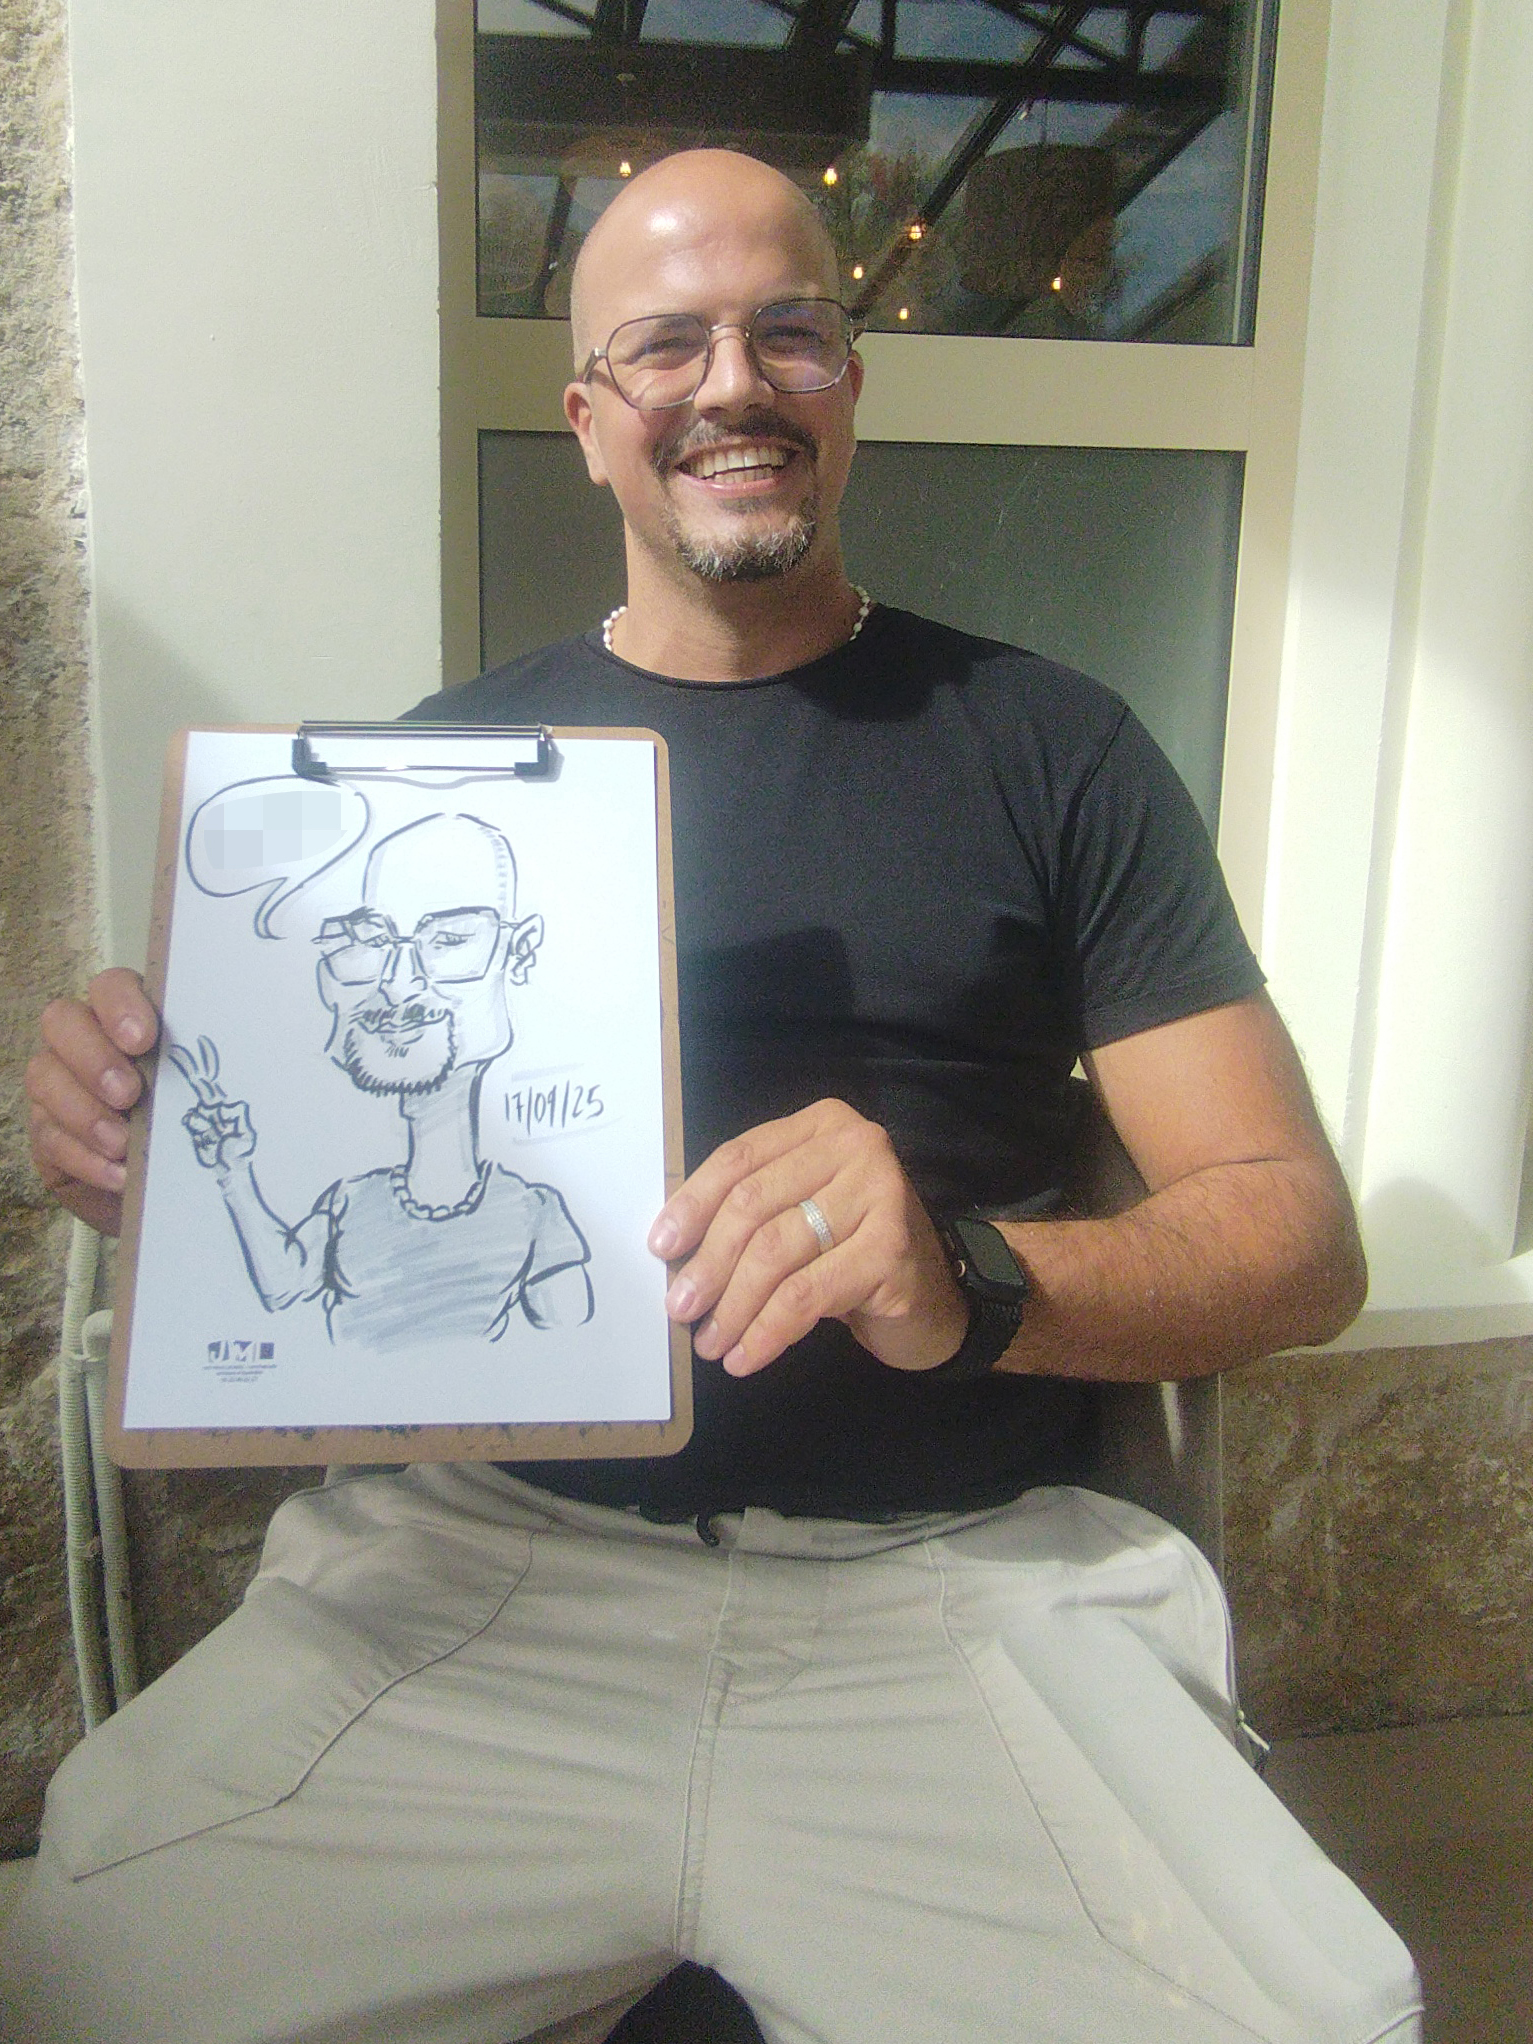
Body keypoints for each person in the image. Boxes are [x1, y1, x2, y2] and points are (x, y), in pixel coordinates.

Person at [9, 151, 1422, 2043]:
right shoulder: (435, 782)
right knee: (85, 1982)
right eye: (665, 344)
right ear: (589, 419)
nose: (732, 383)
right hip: (490, 1567)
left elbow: (1294, 1239)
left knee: (1313, 2023)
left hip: (950, 1585)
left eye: (788, 332)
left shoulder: (1052, 746)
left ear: (851, 384)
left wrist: (967, 1275)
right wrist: (152, 1161)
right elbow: (317, 1237)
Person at [170, 810, 593, 1348]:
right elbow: (281, 1287)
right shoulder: (353, 1202)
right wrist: (233, 1172)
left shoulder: (532, 1211)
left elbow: (582, 1354)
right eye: (374, 942)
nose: (398, 983)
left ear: (520, 949)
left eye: (449, 939)